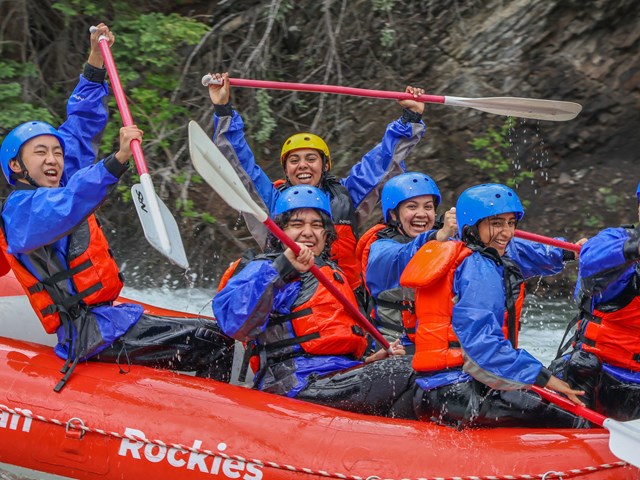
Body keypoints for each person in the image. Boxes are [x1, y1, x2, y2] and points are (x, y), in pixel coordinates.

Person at [0, 24, 232, 391]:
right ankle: (214, 421)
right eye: (40, 152)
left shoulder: (58, 177)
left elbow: (79, 127)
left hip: (109, 319)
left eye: (56, 153)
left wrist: (95, 61)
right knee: (213, 342)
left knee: (214, 333)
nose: (53, 158)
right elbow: (69, 202)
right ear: (17, 166)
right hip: (88, 333)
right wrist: (118, 159)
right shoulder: (21, 212)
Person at [208, 72, 427, 290]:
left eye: (311, 159)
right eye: (294, 160)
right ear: (286, 170)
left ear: (325, 166)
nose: (302, 165)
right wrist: (223, 110)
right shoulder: (271, 201)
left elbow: (380, 165)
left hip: (343, 299)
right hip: (289, 300)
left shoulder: (346, 196)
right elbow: (241, 166)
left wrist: (409, 118)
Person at [213, 185, 417, 419]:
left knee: (414, 366)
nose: (308, 232)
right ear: (281, 231)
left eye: (317, 225)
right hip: (293, 384)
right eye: (297, 225)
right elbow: (232, 321)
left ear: (326, 234)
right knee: (408, 371)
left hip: (337, 377)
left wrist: (370, 361)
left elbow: (335, 342)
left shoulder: (332, 273)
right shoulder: (266, 267)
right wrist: (282, 269)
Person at [400, 183, 586, 428]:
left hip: (436, 387)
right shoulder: (478, 268)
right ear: (473, 227)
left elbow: (524, 251)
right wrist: (544, 378)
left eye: (511, 223)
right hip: (460, 391)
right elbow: (483, 345)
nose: (507, 232)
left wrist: (568, 252)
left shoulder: (465, 253)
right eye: (497, 223)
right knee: (575, 420)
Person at [554, 181, 640, 421]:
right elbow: (589, 260)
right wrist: (634, 249)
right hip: (598, 376)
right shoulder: (616, 239)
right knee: (582, 365)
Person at [356, 172, 457, 347]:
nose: (422, 214)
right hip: (395, 347)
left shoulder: (449, 241)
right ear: (394, 214)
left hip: (438, 345)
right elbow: (403, 259)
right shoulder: (380, 249)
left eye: (428, 207)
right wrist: (437, 237)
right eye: (412, 207)